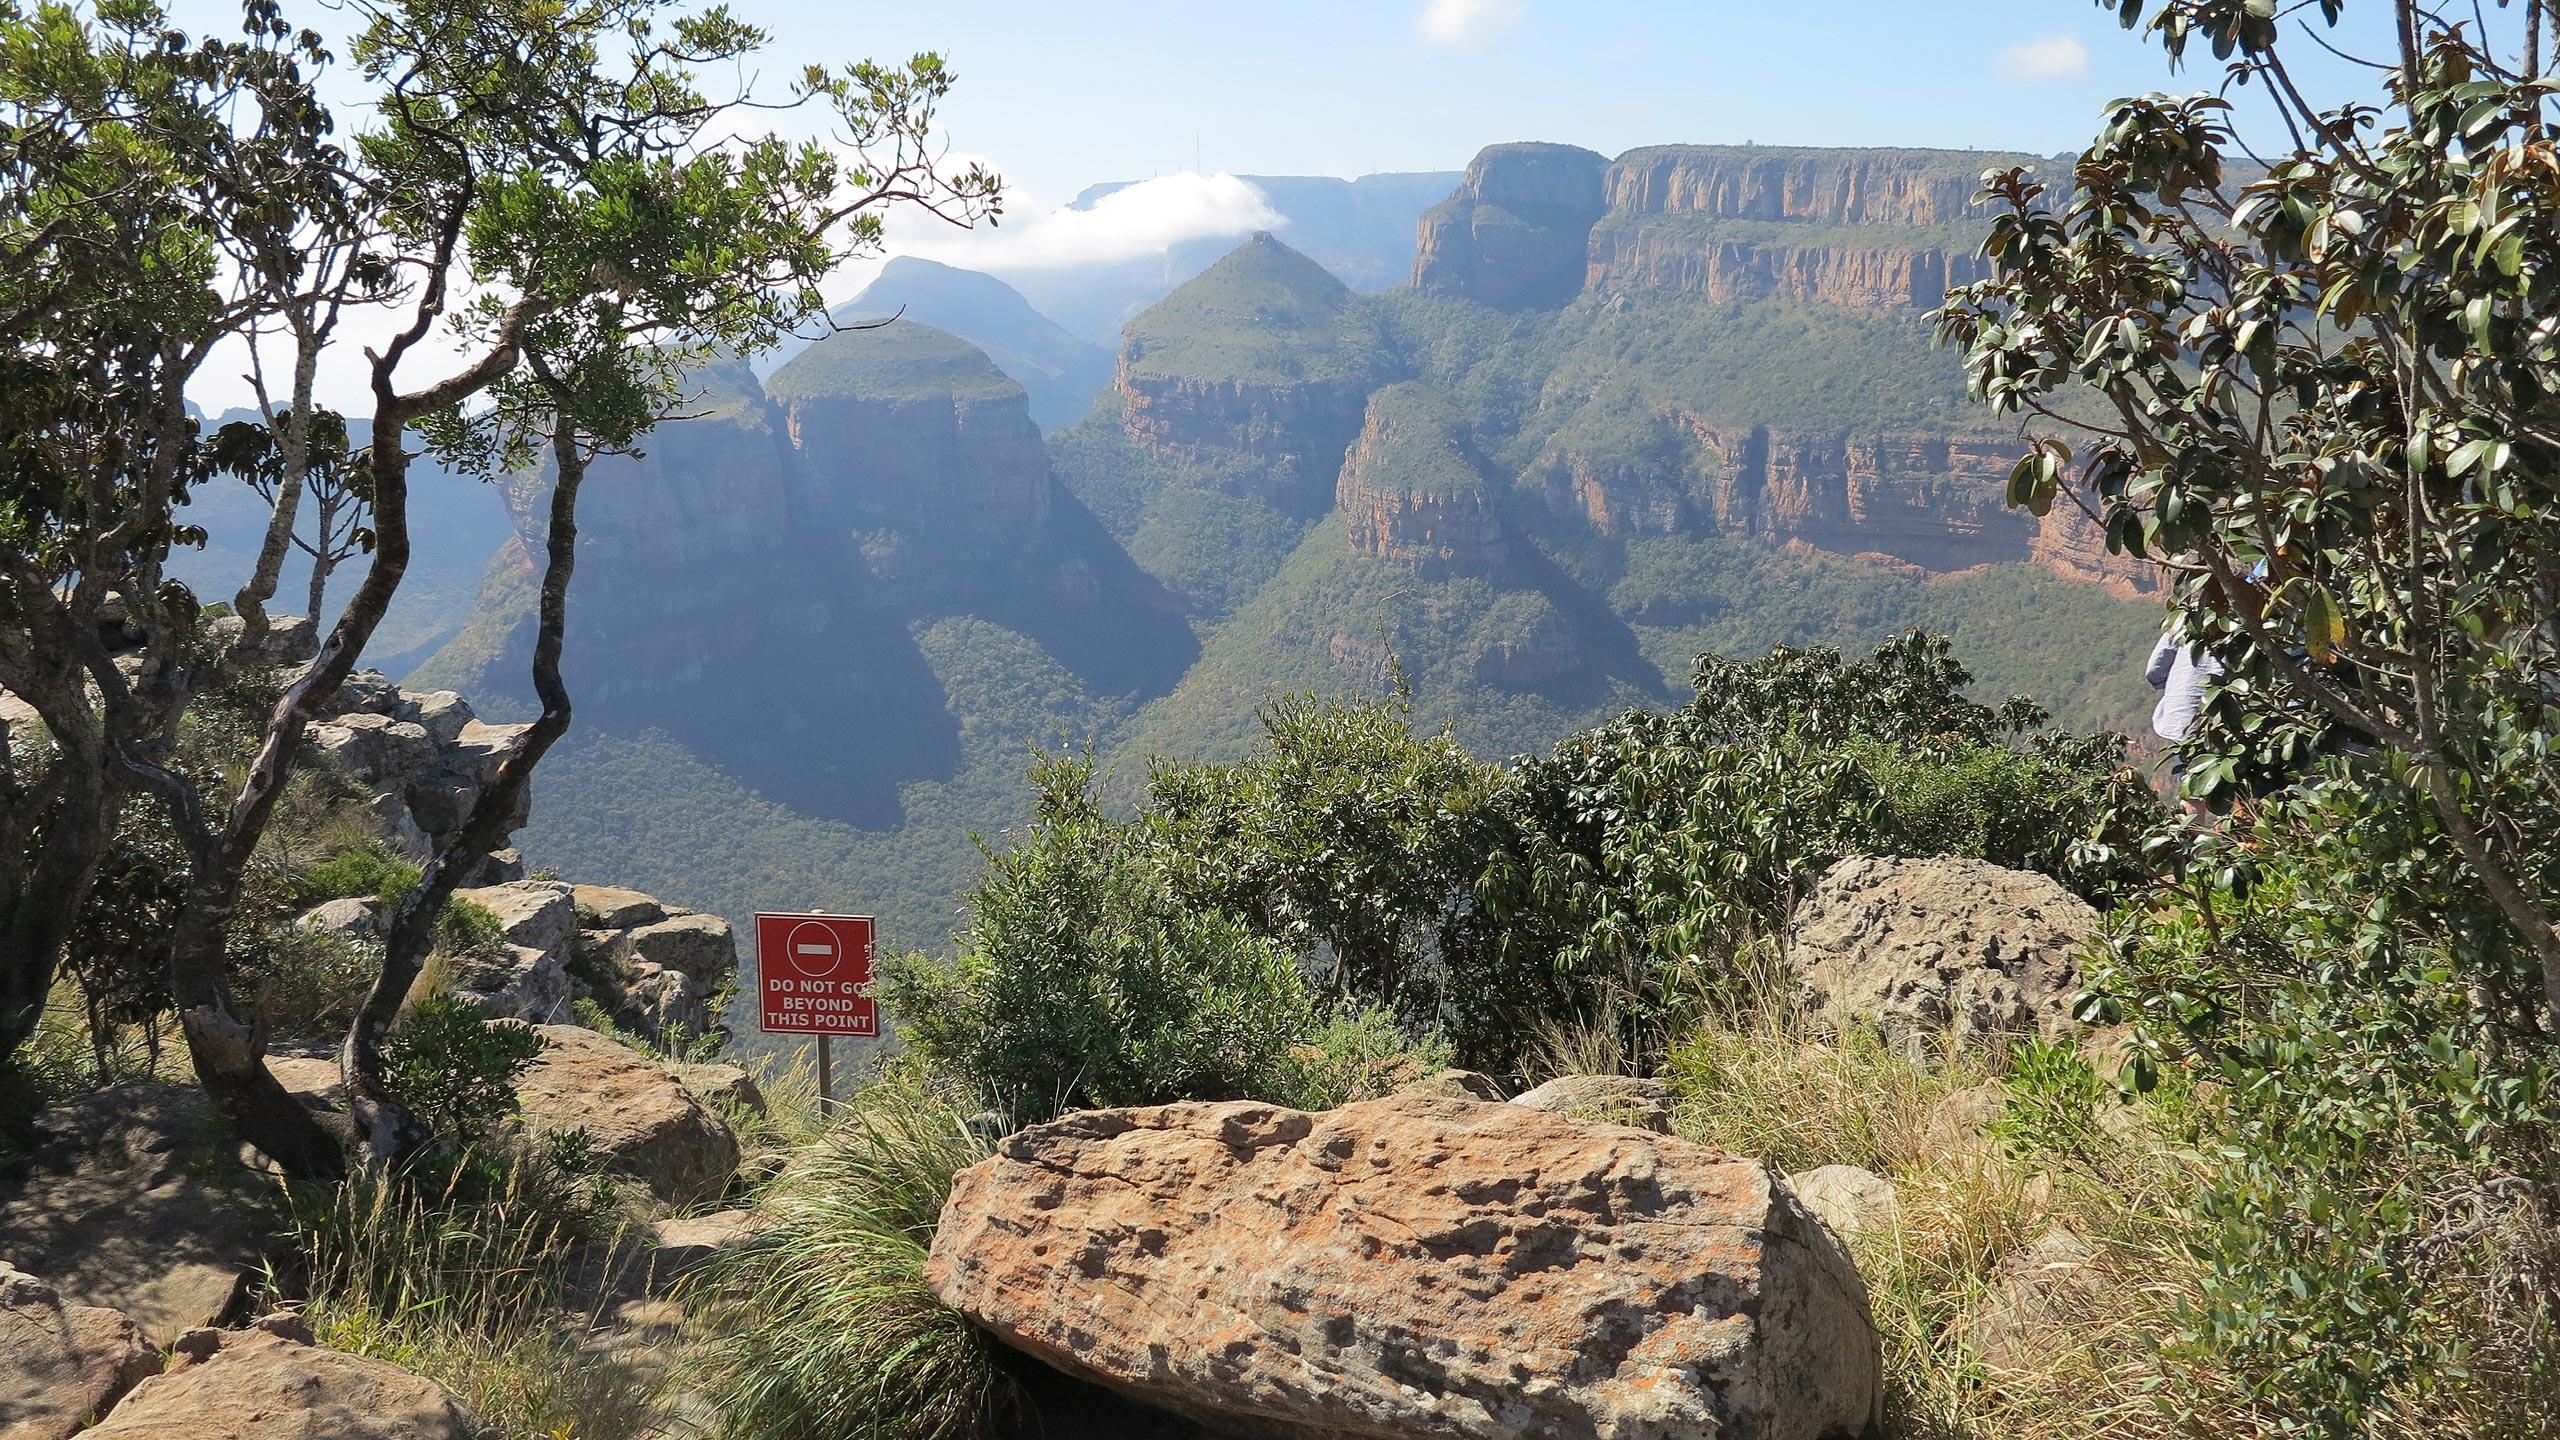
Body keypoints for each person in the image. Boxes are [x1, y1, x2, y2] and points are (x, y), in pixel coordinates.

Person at [2145, 620, 2221, 820]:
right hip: (2241, 717)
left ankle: (2195, 847)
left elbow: (2155, 669)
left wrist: (2175, 685)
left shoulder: (2189, 616)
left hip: (2186, 718)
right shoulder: (2260, 610)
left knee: (2192, 788)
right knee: (2250, 783)